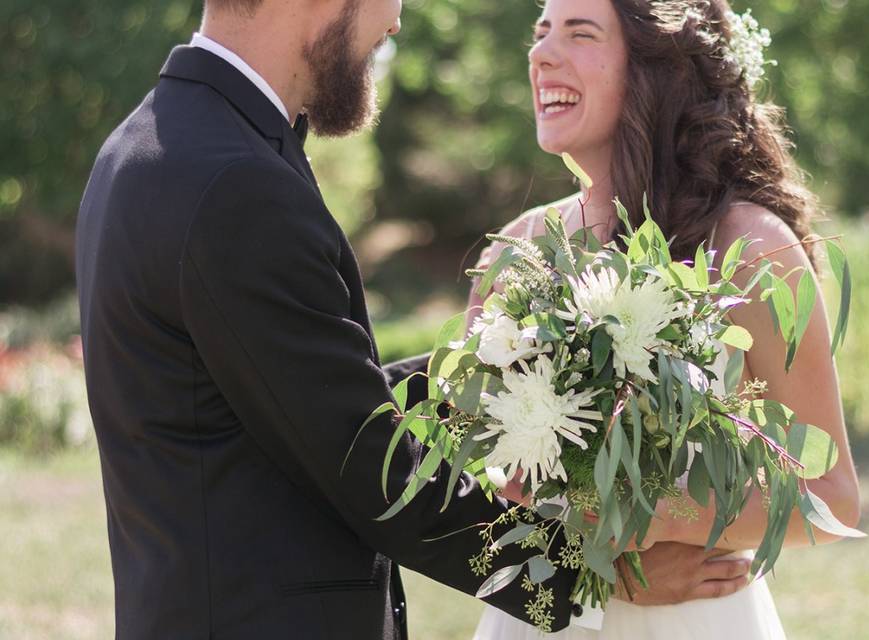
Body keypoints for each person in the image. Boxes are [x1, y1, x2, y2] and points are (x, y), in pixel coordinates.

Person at [74, 0, 595, 637]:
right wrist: (595, 577)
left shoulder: (153, 143)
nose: (397, 22)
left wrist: (483, 372)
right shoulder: (237, 181)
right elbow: (377, 473)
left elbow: (291, 397)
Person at [468, 0, 861, 638]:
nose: (541, 53)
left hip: (697, 618)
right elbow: (473, 496)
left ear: (657, 68)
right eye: (540, 33)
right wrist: (596, 572)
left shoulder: (753, 251)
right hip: (543, 618)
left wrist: (666, 518)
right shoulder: (514, 253)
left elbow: (833, 497)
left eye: (579, 32)